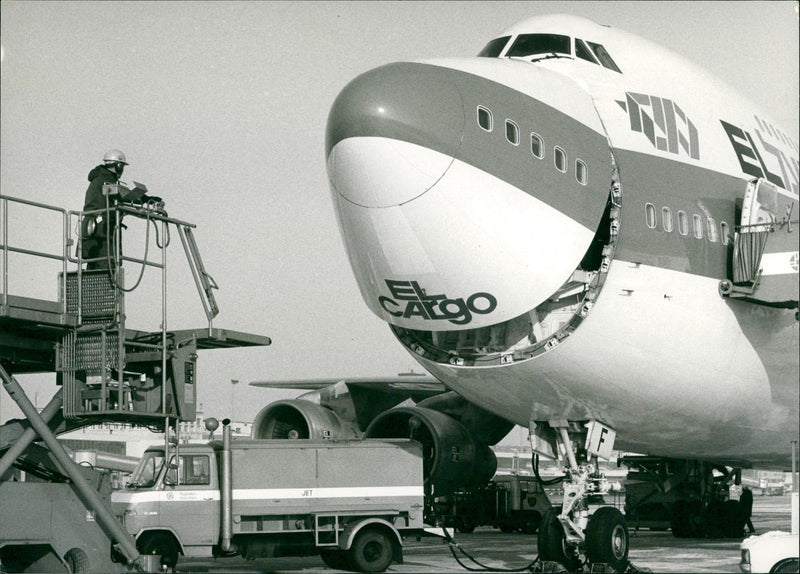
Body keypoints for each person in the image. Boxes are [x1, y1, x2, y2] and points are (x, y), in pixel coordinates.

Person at [82, 149, 128, 269]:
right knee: (107, 267)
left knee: (94, 268)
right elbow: (123, 194)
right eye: (122, 166)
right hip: (104, 231)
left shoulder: (100, 178)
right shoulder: (106, 180)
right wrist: (143, 198)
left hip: (95, 231)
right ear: (118, 166)